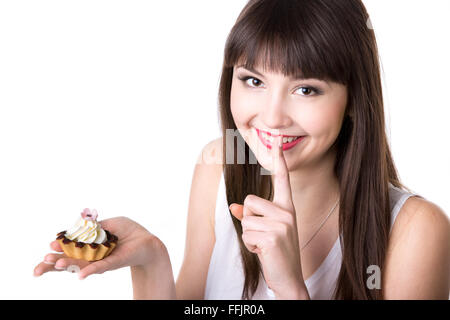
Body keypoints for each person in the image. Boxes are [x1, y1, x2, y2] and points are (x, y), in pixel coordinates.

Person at [33, 0, 450, 300]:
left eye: (306, 89)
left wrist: (289, 287)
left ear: (355, 101)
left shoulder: (414, 231)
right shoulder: (218, 167)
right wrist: (152, 261)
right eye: (253, 80)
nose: (272, 117)